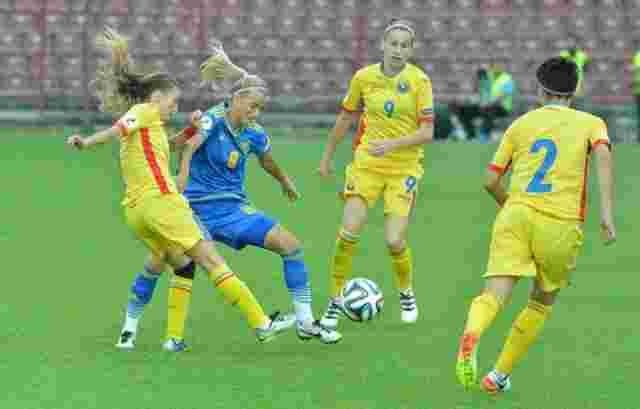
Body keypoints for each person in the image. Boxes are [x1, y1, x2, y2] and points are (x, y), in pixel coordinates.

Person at [66, 28, 294, 352]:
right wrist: (86, 142)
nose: (174, 108)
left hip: (137, 212)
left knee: (178, 263)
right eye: (173, 102)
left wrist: (190, 129)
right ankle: (262, 323)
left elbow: (170, 147)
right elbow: (117, 129)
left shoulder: (152, 127)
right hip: (162, 203)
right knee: (212, 260)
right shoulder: (143, 112)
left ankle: (154, 337)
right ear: (156, 98)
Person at [115, 40, 341, 347]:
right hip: (194, 209)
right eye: (253, 106)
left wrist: (284, 181)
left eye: (260, 108)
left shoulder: (254, 133)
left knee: (290, 246)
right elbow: (189, 144)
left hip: (233, 211)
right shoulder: (212, 119)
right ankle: (131, 330)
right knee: (161, 262)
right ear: (236, 99)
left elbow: (266, 160)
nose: (256, 113)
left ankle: (305, 322)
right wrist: (184, 167)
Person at [455, 57, 616, 394]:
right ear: (575, 89)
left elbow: (490, 181)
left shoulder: (521, 125)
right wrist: (606, 214)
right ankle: (497, 376)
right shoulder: (592, 123)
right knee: (541, 301)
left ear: (540, 90)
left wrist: (511, 206)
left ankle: (472, 335)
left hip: (516, 215)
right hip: (560, 223)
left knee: (492, 295)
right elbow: (603, 154)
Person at [318, 18, 434, 328]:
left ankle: (406, 292)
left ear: (411, 50)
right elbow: (345, 118)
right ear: (383, 45)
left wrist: (393, 144)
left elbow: (427, 132)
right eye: (393, 43)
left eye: (404, 45)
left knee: (394, 241)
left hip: (404, 168)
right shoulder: (364, 77)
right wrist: (327, 157)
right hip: (367, 165)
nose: (398, 50)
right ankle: (335, 301)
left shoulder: (420, 81)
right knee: (348, 232)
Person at [449, 61, 515, 142]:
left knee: (489, 110)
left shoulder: (507, 79)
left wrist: (487, 103)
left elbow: (503, 96)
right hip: (485, 106)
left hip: (502, 108)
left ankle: (484, 135)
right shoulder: (487, 78)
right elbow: (481, 94)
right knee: (463, 110)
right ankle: (471, 135)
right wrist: (472, 101)